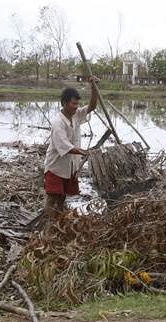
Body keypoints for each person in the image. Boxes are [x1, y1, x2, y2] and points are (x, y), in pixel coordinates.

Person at [43, 77, 99, 218]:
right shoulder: (58, 123)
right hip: (56, 166)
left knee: (62, 197)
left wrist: (94, 88)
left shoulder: (75, 116)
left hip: (69, 167)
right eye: (73, 104)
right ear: (64, 103)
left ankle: (59, 221)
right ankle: (51, 223)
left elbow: (91, 107)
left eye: (77, 104)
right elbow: (66, 147)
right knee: (52, 198)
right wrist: (85, 151)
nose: (76, 106)